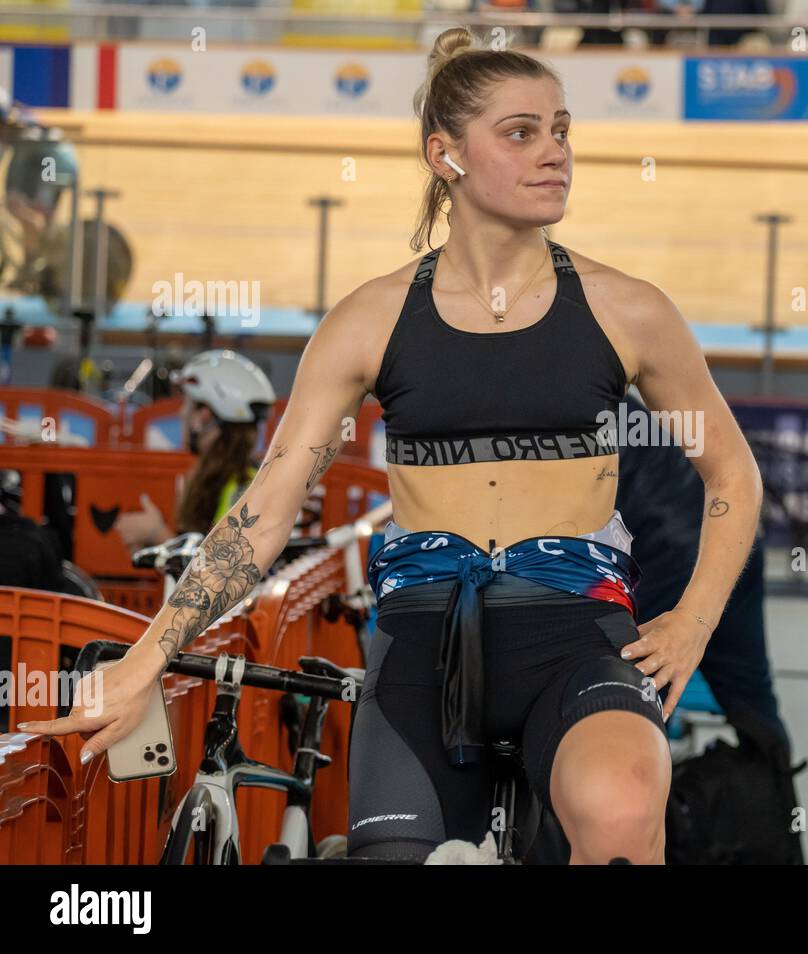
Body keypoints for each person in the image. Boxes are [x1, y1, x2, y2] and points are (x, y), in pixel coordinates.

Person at [20, 27, 762, 866]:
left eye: (561, 129)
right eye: (521, 132)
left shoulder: (629, 310)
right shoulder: (367, 321)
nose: (554, 151)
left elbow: (732, 472)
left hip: (577, 639)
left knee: (622, 815)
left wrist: (693, 622)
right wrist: (147, 659)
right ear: (445, 154)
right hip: (420, 645)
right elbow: (263, 514)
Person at [615, 389, 791, 755]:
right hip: (730, 546)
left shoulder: (567, 408)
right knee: (748, 689)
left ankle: (641, 773)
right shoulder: (611, 395)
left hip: (665, 554)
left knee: (634, 695)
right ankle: (772, 779)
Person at [112, 349, 275, 551]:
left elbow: (223, 564)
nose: (181, 413)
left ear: (204, 415)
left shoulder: (243, 487)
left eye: (186, 404)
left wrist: (156, 534)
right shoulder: (223, 476)